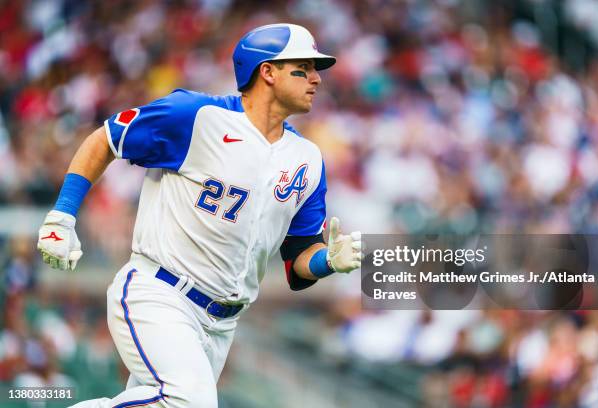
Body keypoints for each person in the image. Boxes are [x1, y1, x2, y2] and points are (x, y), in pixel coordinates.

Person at [36, 23, 363, 408]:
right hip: (159, 292)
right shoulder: (196, 115)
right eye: (303, 68)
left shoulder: (306, 159)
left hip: (222, 324)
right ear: (268, 72)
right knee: (190, 403)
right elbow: (106, 139)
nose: (316, 79)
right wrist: (63, 215)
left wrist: (328, 260)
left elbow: (297, 261)